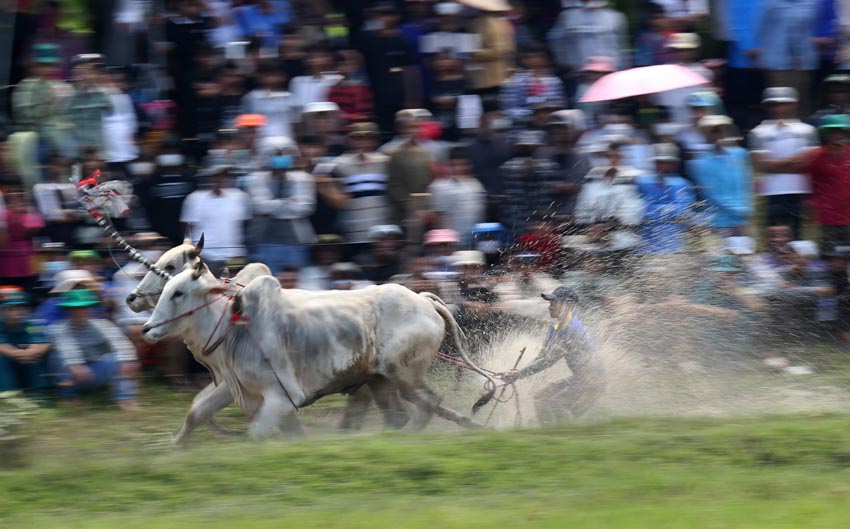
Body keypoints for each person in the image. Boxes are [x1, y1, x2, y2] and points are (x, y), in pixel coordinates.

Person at [501, 286, 606, 423]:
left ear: (566, 305)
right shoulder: (555, 328)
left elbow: (549, 361)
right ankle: (550, 433)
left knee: (556, 405)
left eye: (553, 303)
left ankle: (562, 437)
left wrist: (519, 374)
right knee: (541, 399)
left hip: (592, 383)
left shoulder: (572, 329)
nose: (549, 307)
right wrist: (518, 372)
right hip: (580, 379)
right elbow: (542, 356)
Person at [48, 289, 140, 411]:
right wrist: (76, 366)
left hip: (95, 370)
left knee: (118, 359)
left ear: (88, 309)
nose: (79, 312)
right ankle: (68, 397)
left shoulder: (103, 325)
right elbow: (66, 348)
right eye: (74, 309)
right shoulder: (58, 328)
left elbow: (120, 343)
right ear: (68, 311)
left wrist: (128, 361)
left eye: (82, 308)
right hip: (74, 375)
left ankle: (125, 398)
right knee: (57, 357)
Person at [748, 87, 819, 239]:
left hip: (801, 191)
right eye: (773, 104)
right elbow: (763, 165)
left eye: (783, 103)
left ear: (794, 104)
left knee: (800, 238)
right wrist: (795, 159)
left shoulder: (808, 131)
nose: (778, 108)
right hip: (772, 194)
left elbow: (808, 162)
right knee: (776, 239)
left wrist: (776, 164)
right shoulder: (758, 132)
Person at [247, 138, 316, 271]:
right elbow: (259, 207)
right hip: (265, 241)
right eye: (277, 154)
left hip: (297, 242)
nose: (281, 157)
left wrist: (272, 206)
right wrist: (288, 202)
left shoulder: (304, 178)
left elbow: (305, 208)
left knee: (294, 283)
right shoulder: (255, 179)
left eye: (284, 154)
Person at [180, 165, 252, 275]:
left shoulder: (240, 196)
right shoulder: (194, 198)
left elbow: (245, 224)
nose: (221, 179)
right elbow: (187, 229)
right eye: (217, 176)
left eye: (225, 176)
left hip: (234, 255)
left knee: (233, 288)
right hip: (205, 256)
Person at [689, 115, 752, 237]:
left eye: (721, 130)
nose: (719, 135)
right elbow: (712, 194)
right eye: (714, 131)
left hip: (743, 219)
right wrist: (740, 211)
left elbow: (746, 184)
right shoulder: (700, 162)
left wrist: (746, 209)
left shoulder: (740, 154)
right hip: (718, 221)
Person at [799, 114, 850, 248]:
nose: (836, 135)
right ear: (826, 134)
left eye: (840, 131)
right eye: (832, 132)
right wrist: (812, 206)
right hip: (828, 216)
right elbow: (812, 184)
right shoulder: (817, 156)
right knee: (830, 255)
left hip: (848, 213)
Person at [427, 146, 486, 246]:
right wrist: (443, 242)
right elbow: (436, 218)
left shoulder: (476, 185)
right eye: (454, 165)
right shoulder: (439, 186)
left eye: (463, 164)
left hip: (474, 239)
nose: (459, 168)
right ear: (448, 166)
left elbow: (481, 214)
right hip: (450, 242)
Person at [0, 291, 51, 393]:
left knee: (35, 357)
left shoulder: (32, 321)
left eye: (20, 308)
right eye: (11, 308)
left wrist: (32, 352)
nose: (15, 312)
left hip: (28, 360)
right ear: (3, 310)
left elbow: (42, 342)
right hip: (9, 360)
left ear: (26, 309)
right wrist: (17, 353)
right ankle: (9, 392)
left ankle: (39, 393)